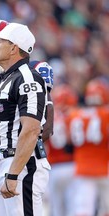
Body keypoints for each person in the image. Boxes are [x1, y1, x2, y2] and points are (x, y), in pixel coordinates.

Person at [0, 21, 54, 216]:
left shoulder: (28, 78)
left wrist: (13, 173)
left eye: (0, 41)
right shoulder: (6, 79)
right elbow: (2, 138)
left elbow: (31, 131)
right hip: (4, 163)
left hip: (21, 164)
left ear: (14, 47)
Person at [68, 78, 109, 216]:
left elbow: (68, 140)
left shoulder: (75, 114)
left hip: (82, 166)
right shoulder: (106, 114)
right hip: (105, 166)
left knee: (84, 209)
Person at [46, 84, 78, 216]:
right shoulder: (76, 116)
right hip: (73, 165)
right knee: (74, 207)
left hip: (53, 168)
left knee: (56, 209)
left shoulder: (49, 117)